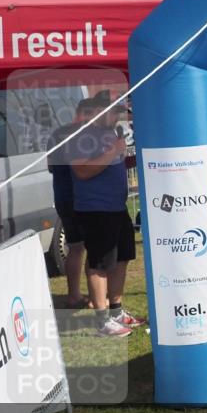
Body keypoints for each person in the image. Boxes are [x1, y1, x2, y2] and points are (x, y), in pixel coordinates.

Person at [69, 101, 144, 337]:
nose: (118, 117)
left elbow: (113, 163)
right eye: (113, 112)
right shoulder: (81, 137)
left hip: (116, 207)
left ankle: (116, 311)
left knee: (121, 259)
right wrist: (114, 150)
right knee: (99, 263)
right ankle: (102, 321)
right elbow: (81, 170)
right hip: (95, 209)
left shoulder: (110, 135)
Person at [48, 98, 98, 309]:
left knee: (75, 247)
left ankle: (74, 295)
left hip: (62, 197)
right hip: (81, 198)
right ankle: (97, 298)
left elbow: (50, 167)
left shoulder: (56, 134)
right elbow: (87, 169)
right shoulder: (84, 135)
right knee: (93, 247)